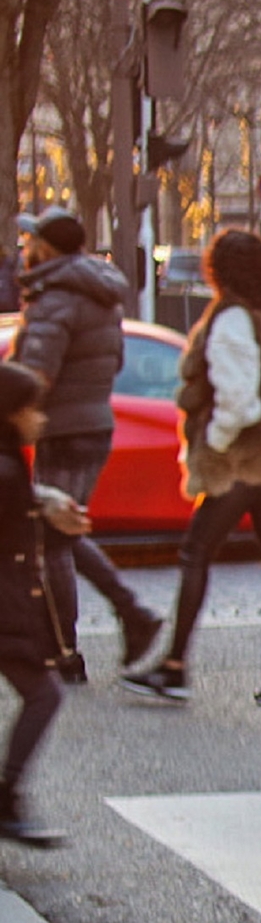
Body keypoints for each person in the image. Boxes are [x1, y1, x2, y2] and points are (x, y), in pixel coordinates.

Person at [123, 230, 261, 702]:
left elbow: (239, 404)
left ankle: (175, 665)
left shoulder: (231, 319)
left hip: (243, 462)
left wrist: (214, 445)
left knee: (197, 553)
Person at [10, 209, 157, 681]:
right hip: (93, 423)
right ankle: (78, 641)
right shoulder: (99, 293)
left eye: (29, 239)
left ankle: (76, 645)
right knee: (58, 532)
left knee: (55, 535)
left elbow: (35, 374)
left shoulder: (56, 299)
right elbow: (112, 362)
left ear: (46, 249)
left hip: (63, 430)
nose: (23, 246)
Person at [0, 361, 88, 844]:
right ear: (11, 414)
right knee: (44, 694)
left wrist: (44, 503)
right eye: (32, 409)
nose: (40, 419)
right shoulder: (7, 469)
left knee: (43, 694)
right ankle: (7, 795)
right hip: (6, 609)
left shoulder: (11, 465)